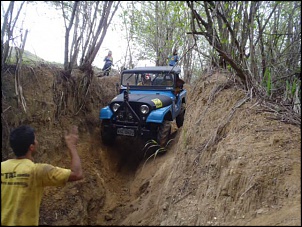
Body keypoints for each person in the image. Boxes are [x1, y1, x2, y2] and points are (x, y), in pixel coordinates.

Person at [1, 125, 83, 226]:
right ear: (31, 147)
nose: (37, 141)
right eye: (35, 139)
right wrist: (72, 147)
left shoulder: (2, 167)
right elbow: (77, 173)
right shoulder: (37, 171)